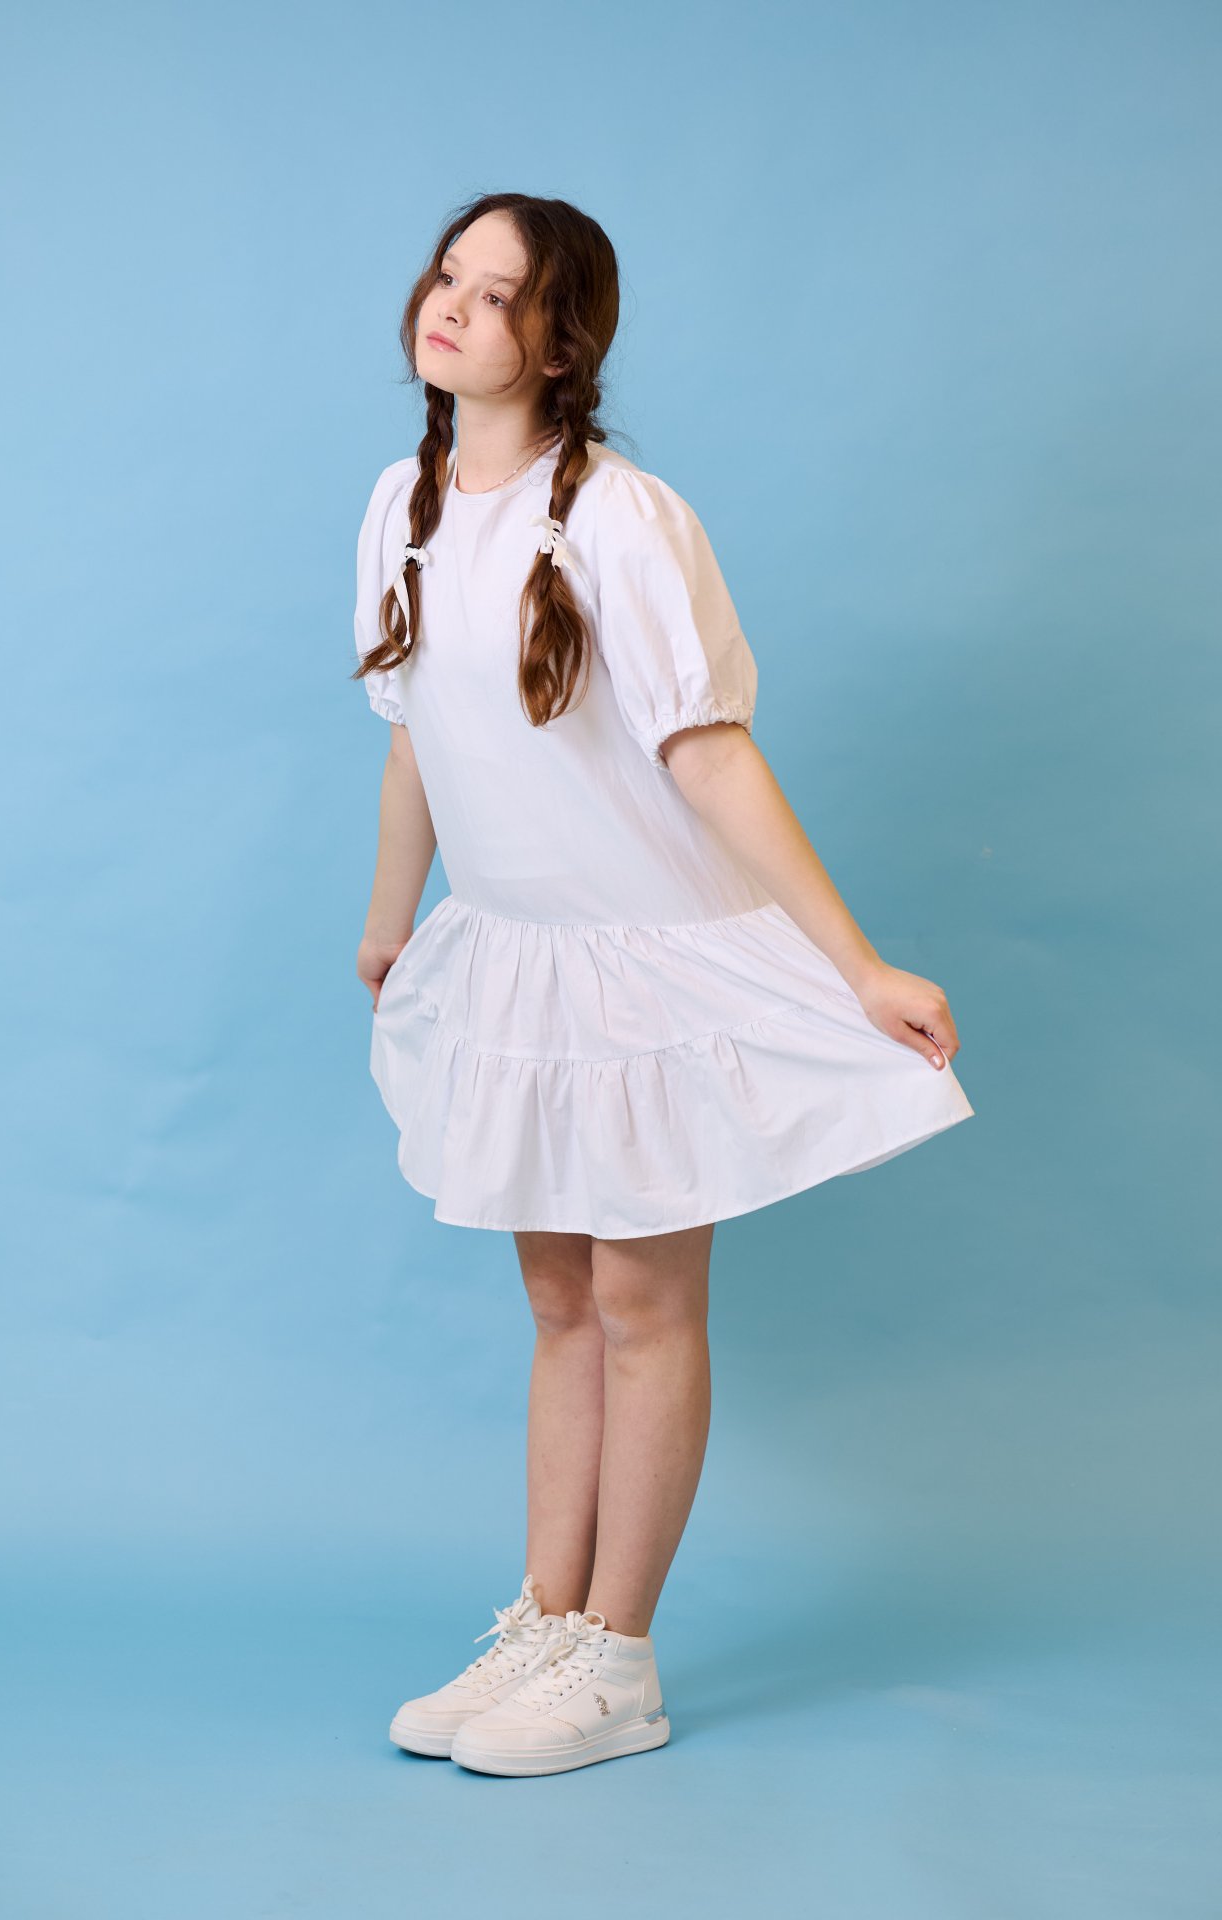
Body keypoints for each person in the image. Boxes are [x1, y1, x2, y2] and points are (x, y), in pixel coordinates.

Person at [351, 194, 975, 1778]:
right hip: (517, 958)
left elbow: (709, 753)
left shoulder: (625, 519)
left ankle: (618, 1658)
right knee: (558, 1303)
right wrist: (391, 918)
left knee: (640, 1302)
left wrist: (856, 964)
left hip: (650, 966)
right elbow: (417, 734)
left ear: (562, 343)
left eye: (500, 295)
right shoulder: (400, 505)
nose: (453, 305)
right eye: (448, 275)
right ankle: (545, 1621)